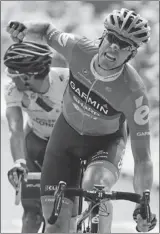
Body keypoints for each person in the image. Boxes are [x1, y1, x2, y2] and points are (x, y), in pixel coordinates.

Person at [6, 8, 157, 233]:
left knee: (94, 184)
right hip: (65, 137)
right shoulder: (78, 49)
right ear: (103, 37)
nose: (115, 46)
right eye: (112, 38)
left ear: (132, 54)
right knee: (55, 225)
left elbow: (143, 157)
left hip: (105, 144)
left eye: (124, 44)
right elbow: (47, 31)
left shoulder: (134, 93)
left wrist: (142, 204)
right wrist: (25, 28)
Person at [3, 41, 70, 233]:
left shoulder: (67, 81)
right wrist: (19, 162)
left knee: (68, 207)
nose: (9, 78)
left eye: (12, 74)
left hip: (69, 144)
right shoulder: (13, 89)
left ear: (27, 76)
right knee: (32, 212)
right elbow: (15, 129)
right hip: (36, 142)